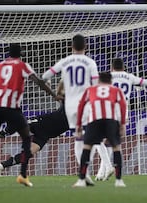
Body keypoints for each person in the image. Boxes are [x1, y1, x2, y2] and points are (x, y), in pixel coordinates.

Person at [0, 44, 60, 187]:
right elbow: (39, 82)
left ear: (8, 54)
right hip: (11, 106)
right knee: (27, 137)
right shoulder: (23, 65)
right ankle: (22, 175)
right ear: (20, 54)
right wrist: (54, 95)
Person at [41, 34, 113, 184]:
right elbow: (94, 86)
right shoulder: (90, 62)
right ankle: (96, 170)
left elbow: (45, 76)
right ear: (85, 47)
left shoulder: (65, 61)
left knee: (79, 139)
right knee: (91, 137)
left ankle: (85, 175)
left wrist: (55, 94)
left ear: (71, 47)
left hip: (70, 106)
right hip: (86, 104)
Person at [94, 58, 147, 181]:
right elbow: (146, 82)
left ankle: (107, 168)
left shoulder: (107, 76)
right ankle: (101, 173)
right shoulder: (129, 77)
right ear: (124, 67)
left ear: (111, 67)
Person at [73, 72, 127, 187]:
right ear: (111, 81)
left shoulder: (90, 89)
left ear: (99, 81)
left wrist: (78, 124)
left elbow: (81, 105)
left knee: (87, 147)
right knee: (116, 148)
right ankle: (119, 181)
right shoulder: (116, 90)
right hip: (110, 121)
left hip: (94, 121)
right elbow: (123, 106)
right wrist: (122, 124)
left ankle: (82, 180)